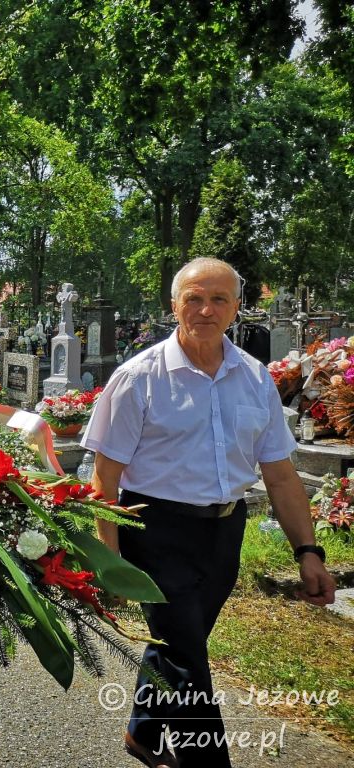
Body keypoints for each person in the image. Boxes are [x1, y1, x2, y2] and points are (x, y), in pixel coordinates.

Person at [81, 257, 336, 768]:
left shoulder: (255, 378)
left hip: (224, 533)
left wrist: (308, 551)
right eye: (194, 299)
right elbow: (104, 481)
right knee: (187, 661)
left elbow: (280, 476)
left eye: (219, 299)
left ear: (236, 308)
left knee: (180, 644)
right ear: (174, 305)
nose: (205, 310)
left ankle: (143, 732)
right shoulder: (138, 378)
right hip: (153, 530)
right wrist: (109, 560)